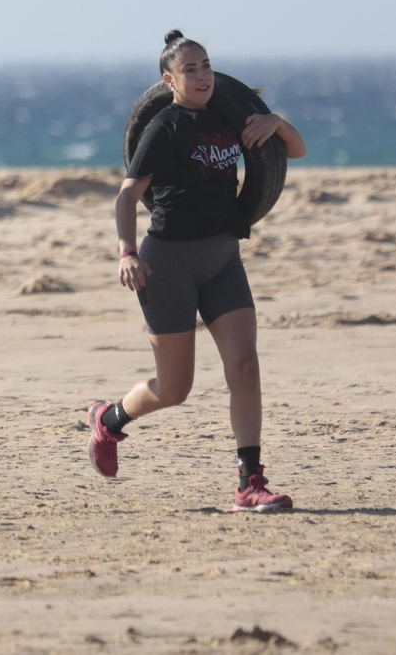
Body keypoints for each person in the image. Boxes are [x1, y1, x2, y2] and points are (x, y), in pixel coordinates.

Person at [88, 30, 307, 512]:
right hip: (167, 264)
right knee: (175, 388)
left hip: (223, 257)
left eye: (206, 65)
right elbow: (127, 195)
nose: (203, 74)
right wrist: (127, 252)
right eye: (190, 69)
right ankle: (110, 419)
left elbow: (295, 150)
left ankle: (250, 482)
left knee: (245, 367)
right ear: (169, 80)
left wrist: (274, 121)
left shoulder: (231, 118)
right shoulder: (163, 127)